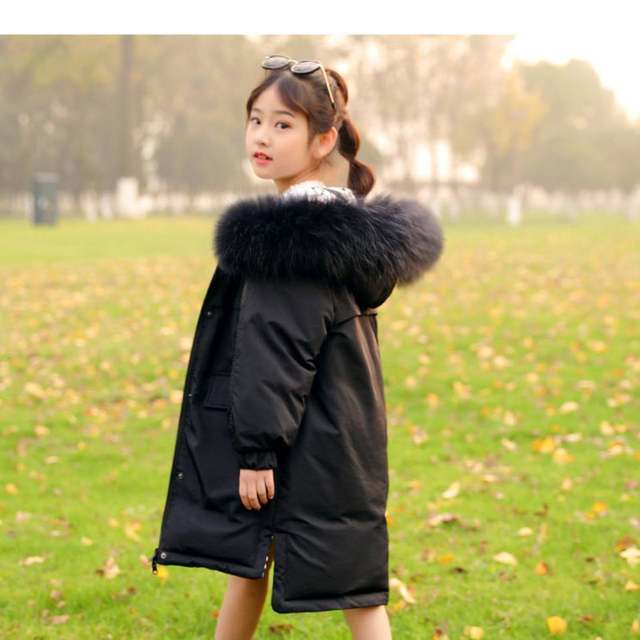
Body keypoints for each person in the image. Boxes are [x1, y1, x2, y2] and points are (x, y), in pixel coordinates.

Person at [150, 54, 445, 640]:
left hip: (296, 439)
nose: (262, 136)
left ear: (323, 140)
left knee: (348, 589)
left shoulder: (291, 237)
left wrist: (257, 451)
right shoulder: (334, 224)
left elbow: (274, 351)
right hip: (339, 434)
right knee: (269, 567)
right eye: (256, 120)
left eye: (283, 124)